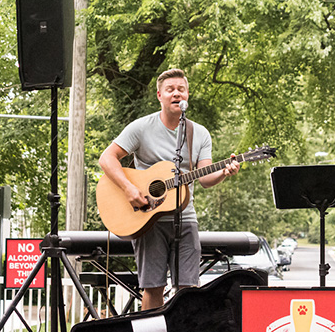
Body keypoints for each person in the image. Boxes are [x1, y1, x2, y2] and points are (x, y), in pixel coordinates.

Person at [98, 68, 239, 311]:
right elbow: (107, 158)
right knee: (152, 287)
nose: (176, 94)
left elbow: (205, 177)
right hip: (147, 217)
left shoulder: (200, 133)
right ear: (160, 95)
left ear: (187, 96)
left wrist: (224, 172)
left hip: (185, 218)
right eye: (170, 90)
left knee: (188, 289)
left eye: (181, 89)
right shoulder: (141, 128)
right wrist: (130, 189)